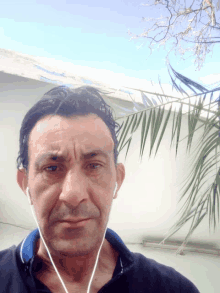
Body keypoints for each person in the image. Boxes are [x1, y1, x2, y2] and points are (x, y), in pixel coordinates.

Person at [0, 86, 200, 293]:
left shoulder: (173, 289)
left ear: (117, 179)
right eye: (52, 168)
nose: (73, 195)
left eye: (94, 166)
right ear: (25, 184)